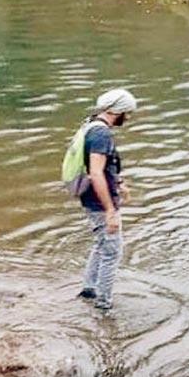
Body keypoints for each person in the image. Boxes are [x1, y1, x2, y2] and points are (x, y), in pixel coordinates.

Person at [78, 89, 137, 310]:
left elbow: (104, 167)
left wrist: (119, 183)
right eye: (127, 113)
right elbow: (95, 172)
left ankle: (89, 288)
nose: (128, 118)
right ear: (117, 110)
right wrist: (110, 210)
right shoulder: (101, 135)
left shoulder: (90, 125)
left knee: (101, 244)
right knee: (113, 251)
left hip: (92, 199)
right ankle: (103, 305)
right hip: (99, 203)